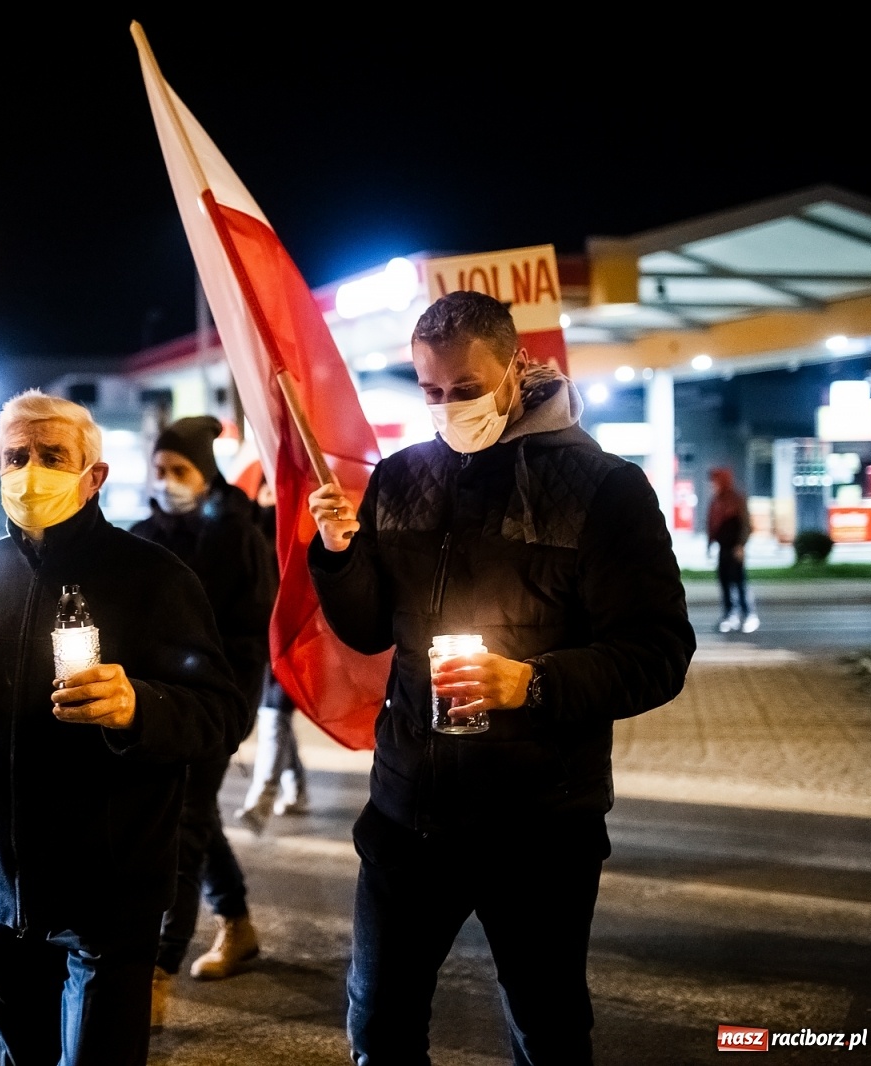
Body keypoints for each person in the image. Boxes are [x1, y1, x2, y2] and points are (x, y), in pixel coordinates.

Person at [307, 291, 695, 1065]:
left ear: (516, 368)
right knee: (378, 1024)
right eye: (431, 390)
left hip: (539, 827)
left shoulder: (603, 488)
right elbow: (370, 629)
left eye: (466, 387)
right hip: (409, 813)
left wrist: (533, 683)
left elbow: (658, 652)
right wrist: (340, 556)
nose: (448, 406)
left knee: (547, 1031)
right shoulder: (400, 477)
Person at [0, 390, 248, 1066]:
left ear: (93, 476)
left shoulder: (153, 578)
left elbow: (219, 714)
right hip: (0, 889)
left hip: (110, 890)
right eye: (15, 457)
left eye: (51, 456)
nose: (30, 471)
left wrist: (137, 706)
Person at [130, 417, 275, 1022]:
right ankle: (236, 922)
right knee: (194, 813)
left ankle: (156, 972)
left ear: (206, 475)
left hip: (214, 707)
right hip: (150, 705)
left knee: (184, 823)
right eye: (159, 470)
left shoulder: (238, 537)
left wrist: (224, 706)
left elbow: (252, 635)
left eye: (180, 470)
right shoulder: (141, 537)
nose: (167, 481)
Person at [236, 479, 309, 831]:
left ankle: (260, 802)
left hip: (292, 640)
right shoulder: (245, 532)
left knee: (274, 716)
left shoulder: (300, 533)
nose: (272, 498)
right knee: (276, 718)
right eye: (267, 488)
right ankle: (298, 787)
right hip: (257, 641)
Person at [706, 466, 758, 633]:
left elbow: (745, 524)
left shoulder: (736, 499)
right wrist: (709, 544)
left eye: (714, 481)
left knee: (739, 581)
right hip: (723, 547)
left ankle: (749, 614)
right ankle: (730, 615)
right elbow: (711, 524)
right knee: (724, 581)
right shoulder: (716, 501)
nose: (712, 485)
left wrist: (741, 545)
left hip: (735, 547)